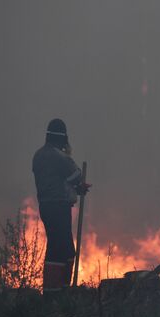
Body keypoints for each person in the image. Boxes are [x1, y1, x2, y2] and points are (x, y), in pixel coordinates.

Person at [32, 119, 90, 293]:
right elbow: (76, 174)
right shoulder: (60, 157)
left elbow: (57, 179)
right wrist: (78, 186)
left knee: (57, 246)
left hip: (46, 206)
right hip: (59, 207)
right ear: (63, 138)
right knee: (63, 249)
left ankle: (58, 290)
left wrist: (74, 187)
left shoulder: (38, 155)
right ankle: (57, 292)